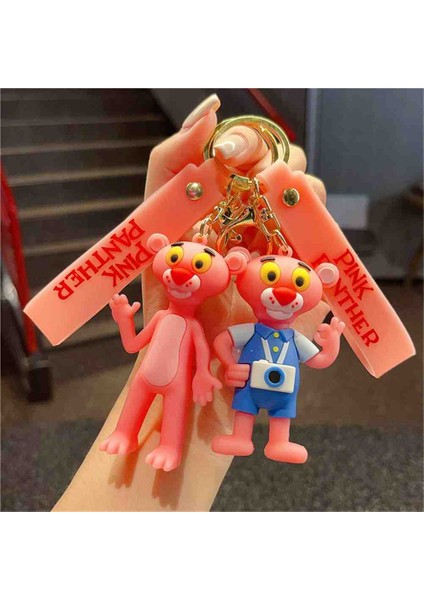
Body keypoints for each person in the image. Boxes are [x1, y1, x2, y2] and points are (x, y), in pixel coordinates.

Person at [53, 94, 328, 511]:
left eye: (199, 264)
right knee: (142, 399)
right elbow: (138, 345)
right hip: (161, 376)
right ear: (159, 249)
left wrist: (206, 378)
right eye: (178, 259)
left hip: (206, 383)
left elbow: (216, 352)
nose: (182, 274)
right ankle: (128, 433)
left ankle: (196, 443)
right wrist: (127, 320)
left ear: (233, 267)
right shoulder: (176, 318)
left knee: (205, 407)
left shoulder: (210, 325)